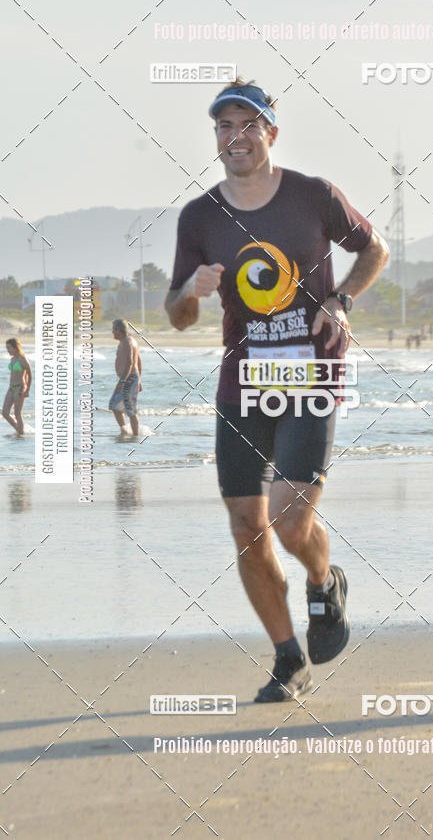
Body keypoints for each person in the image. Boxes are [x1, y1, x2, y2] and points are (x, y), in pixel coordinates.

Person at [165, 78, 389, 703]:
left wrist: (341, 299)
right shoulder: (199, 217)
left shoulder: (313, 196)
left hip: (311, 373)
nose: (235, 136)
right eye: (224, 126)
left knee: (291, 521)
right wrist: (191, 293)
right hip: (243, 383)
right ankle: (289, 657)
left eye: (248, 125)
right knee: (247, 526)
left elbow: (374, 248)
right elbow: (177, 314)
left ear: (271, 133)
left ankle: (323, 580)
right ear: (216, 137)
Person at [108, 319, 142, 436]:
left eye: (113, 330)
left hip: (129, 378)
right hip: (130, 377)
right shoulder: (127, 340)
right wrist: (139, 381)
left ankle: (135, 436)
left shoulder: (127, 341)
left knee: (130, 409)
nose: (112, 332)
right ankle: (125, 431)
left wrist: (122, 381)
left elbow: (130, 363)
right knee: (114, 405)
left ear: (119, 330)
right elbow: (138, 361)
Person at [3, 338, 32, 436]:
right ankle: (20, 430)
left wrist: (27, 390)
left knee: (17, 413)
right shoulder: (12, 359)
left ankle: (20, 434)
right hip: (11, 387)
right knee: (5, 413)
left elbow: (29, 374)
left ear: (15, 348)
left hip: (20, 387)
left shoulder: (22, 359)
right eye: (7, 348)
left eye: (9, 348)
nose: (8, 350)